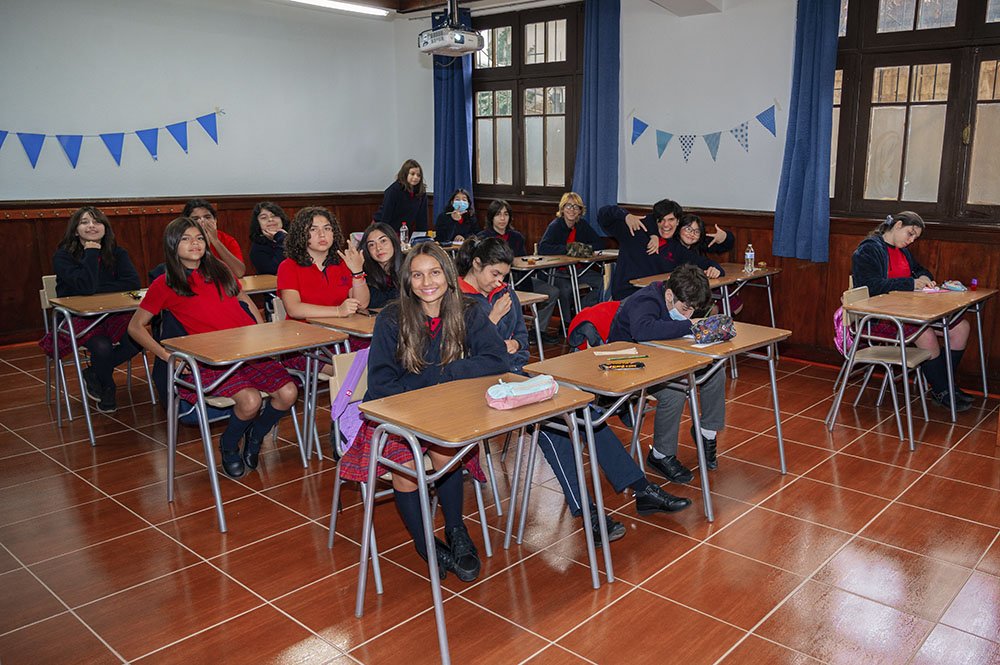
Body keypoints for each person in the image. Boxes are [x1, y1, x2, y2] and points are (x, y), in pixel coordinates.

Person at [456, 236, 691, 544]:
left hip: (512, 379)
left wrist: (502, 350)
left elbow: (522, 349)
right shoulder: (456, 298)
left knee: (584, 413)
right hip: (471, 387)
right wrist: (493, 325)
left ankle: (640, 487)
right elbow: (461, 353)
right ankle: (588, 512)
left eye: (503, 275)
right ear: (476, 265)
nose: (499, 282)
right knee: (550, 428)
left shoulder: (505, 294)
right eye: (494, 275)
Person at [338, 243, 509, 583]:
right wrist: (438, 375)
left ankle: (456, 530)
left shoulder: (469, 310)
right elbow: (383, 384)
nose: (426, 282)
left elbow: (497, 361)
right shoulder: (391, 317)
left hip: (444, 410)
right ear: (408, 280)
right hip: (394, 413)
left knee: (446, 450)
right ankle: (424, 542)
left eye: (434, 272)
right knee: (406, 466)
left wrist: (445, 374)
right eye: (417, 274)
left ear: (448, 275)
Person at [127, 217, 298, 478]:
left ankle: (255, 436)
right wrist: (165, 355)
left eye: (198, 238)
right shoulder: (165, 283)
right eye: (185, 239)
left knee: (288, 392)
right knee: (250, 400)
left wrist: (263, 331)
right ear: (173, 245)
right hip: (213, 360)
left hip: (248, 352)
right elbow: (135, 326)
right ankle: (229, 446)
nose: (194, 243)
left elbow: (244, 299)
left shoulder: (219, 270)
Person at [608, 265, 726, 477]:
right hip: (630, 363)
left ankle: (706, 432)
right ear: (669, 294)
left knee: (715, 371)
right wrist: (690, 325)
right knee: (673, 393)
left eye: (693, 310)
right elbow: (643, 331)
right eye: (685, 309)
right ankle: (661, 455)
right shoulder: (646, 300)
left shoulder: (677, 300)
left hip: (664, 358)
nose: (689, 314)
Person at [851, 211, 973, 411]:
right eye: (910, 233)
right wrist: (911, 283)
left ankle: (944, 385)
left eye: (915, 237)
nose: (911, 240)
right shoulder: (868, 250)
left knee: (961, 328)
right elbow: (870, 286)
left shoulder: (903, 250)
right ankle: (942, 390)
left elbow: (919, 270)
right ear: (897, 225)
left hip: (906, 313)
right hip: (878, 317)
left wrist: (924, 277)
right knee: (925, 335)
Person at [39, 206, 142, 413]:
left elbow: (132, 283)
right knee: (102, 347)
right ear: (76, 231)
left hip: (112, 313)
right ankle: (108, 386)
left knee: (137, 339)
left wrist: (93, 290)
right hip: (76, 318)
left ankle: (94, 372)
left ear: (106, 228)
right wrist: (91, 251)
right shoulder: (63, 256)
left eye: (97, 222)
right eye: (85, 222)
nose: (92, 226)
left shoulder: (118, 253)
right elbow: (86, 286)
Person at [277, 206, 368, 373]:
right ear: (301, 235)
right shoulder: (288, 266)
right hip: (303, 343)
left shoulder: (341, 263)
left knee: (380, 357)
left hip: (342, 335)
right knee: (351, 370)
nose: (322, 234)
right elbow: (294, 308)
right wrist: (338, 311)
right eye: (313, 229)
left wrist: (357, 272)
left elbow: (361, 304)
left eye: (327, 228)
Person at [598, 200, 719, 300]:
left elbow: (702, 262)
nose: (666, 225)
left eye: (671, 220)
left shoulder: (677, 248)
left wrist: (715, 269)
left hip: (656, 298)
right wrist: (625, 216)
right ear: (655, 221)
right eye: (661, 220)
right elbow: (603, 214)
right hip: (627, 296)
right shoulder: (634, 230)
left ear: (678, 222)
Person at [479, 199, 561, 344]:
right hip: (497, 284)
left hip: (523, 279)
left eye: (506, 214)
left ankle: (538, 331)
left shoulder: (516, 237)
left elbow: (522, 259)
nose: (502, 218)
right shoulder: (483, 238)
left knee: (552, 292)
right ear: (491, 217)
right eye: (498, 215)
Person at [538, 192, 606, 319]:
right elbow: (543, 248)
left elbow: (599, 243)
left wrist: (583, 248)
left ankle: (580, 310)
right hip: (558, 272)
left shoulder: (582, 225)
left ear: (580, 211)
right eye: (568, 206)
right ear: (562, 209)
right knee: (565, 289)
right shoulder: (555, 226)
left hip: (579, 270)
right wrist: (568, 249)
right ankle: (567, 323)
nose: (572, 210)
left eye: (576, 207)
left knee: (604, 282)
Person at [675, 213, 739, 315]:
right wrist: (715, 268)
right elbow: (702, 262)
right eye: (688, 229)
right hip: (681, 291)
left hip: (699, 287)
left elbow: (727, 243)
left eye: (697, 231)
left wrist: (725, 237)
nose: (692, 234)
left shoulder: (698, 243)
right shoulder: (674, 246)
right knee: (713, 309)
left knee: (735, 305)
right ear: (678, 229)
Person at [182, 199, 246, 277]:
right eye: (195, 219)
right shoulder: (182, 241)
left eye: (207, 217)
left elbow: (239, 272)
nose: (202, 222)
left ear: (215, 220)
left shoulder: (227, 239)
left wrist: (215, 241)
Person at [374, 159, 428, 234]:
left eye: (418, 175)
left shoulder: (421, 193)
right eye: (412, 174)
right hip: (383, 227)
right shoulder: (394, 190)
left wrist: (422, 236)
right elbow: (386, 215)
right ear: (405, 174)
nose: (416, 177)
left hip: (403, 229)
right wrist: (384, 234)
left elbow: (422, 218)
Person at [359, 222, 402, 309]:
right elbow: (368, 303)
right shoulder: (364, 271)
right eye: (371, 245)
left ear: (393, 242)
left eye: (383, 241)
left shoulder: (410, 265)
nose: (378, 248)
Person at [248, 201, 289, 275]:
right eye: (264, 218)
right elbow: (275, 270)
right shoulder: (257, 248)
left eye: (274, 216)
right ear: (258, 223)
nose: (270, 219)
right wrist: (281, 238)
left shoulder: (296, 238)